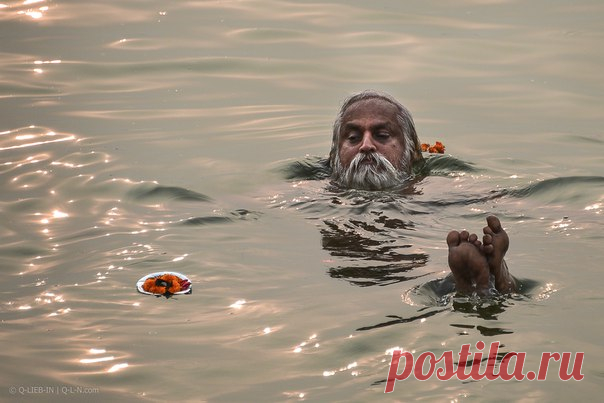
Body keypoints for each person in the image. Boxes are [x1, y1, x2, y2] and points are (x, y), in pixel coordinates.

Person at [328, 90, 516, 295]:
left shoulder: (440, 189)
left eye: (382, 136)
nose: (366, 146)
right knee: (432, 280)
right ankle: (486, 282)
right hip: (419, 242)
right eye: (353, 138)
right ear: (334, 156)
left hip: (397, 253)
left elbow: (506, 199)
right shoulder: (442, 190)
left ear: (413, 153)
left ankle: (484, 279)